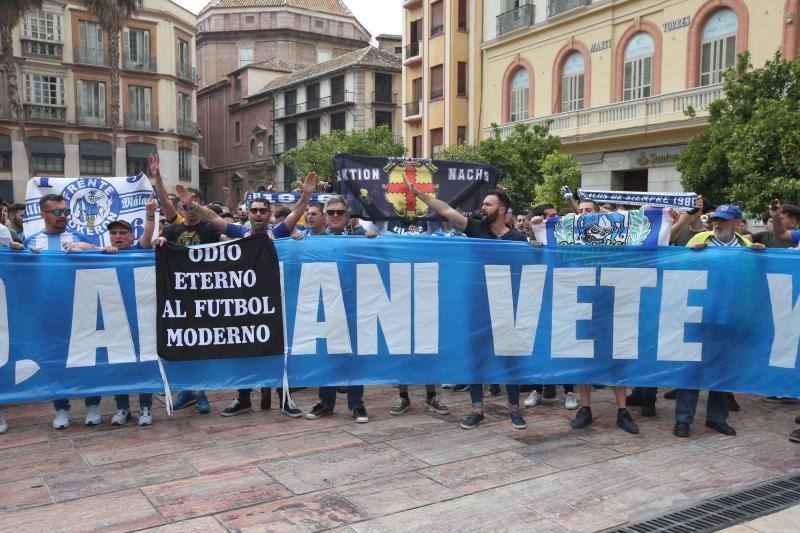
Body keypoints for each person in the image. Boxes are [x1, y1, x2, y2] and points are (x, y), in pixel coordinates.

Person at [174, 174, 319, 418]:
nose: (259, 214)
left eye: (263, 210)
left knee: (279, 351)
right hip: (244, 303)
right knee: (242, 348)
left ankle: (285, 399)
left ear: (269, 212)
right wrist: (192, 205)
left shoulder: (277, 232)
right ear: (249, 213)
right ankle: (242, 399)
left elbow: (296, 212)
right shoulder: (240, 232)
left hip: (274, 302)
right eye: (255, 210)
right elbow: (214, 218)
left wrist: (306, 194)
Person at [402, 174, 528, 430]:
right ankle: (477, 409)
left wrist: (536, 245)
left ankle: (514, 409)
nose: (483, 207)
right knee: (477, 356)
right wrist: (419, 193)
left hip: (506, 306)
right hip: (478, 305)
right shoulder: (476, 228)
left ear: (502, 210)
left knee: (510, 357)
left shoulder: (518, 240)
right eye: (483, 204)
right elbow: (446, 210)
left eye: (489, 205)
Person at [673, 204, 765, 438]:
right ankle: (683, 419)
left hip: (731, 317)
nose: (718, 223)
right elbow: (678, 268)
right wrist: (689, 255)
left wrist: (764, 258)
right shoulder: (701, 238)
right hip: (700, 315)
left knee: (724, 369)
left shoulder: (746, 246)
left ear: (736, 223)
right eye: (715, 219)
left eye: (723, 220)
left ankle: (717, 418)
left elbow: (756, 280)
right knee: (691, 368)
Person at [24, 194, 114, 428]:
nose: (63, 216)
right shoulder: (31, 241)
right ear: (43, 214)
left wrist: (86, 246)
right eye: (57, 212)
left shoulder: (77, 236)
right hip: (48, 312)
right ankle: (61, 408)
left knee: (87, 358)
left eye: (65, 212)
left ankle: (92, 404)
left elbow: (101, 252)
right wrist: (25, 256)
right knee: (54, 360)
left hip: (80, 308)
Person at [567, 200, 640, 434]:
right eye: (580, 211)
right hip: (582, 307)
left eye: (588, 210)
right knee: (583, 361)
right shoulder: (572, 238)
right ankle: (585, 408)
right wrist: (537, 228)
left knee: (616, 359)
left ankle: (622, 410)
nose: (583, 214)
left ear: (599, 214)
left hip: (613, 308)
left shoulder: (616, 240)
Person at [300, 196, 373, 424]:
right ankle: (326, 402)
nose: (334, 216)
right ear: (325, 216)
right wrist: (296, 242)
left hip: (354, 306)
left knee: (354, 356)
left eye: (339, 212)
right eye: (330, 212)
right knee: (327, 354)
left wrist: (374, 241)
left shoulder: (360, 239)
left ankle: (356, 404)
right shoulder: (313, 239)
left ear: (347, 216)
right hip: (326, 305)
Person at [105, 211, 157, 426]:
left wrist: (150, 214)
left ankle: (145, 407)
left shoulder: (140, 250)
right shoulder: (103, 254)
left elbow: (149, 233)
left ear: (131, 237)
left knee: (144, 363)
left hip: (142, 317)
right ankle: (122, 407)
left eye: (123, 233)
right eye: (113, 233)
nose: (117, 236)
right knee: (119, 365)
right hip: (115, 319)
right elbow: (79, 248)